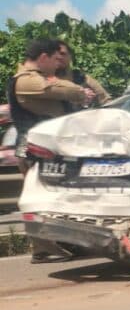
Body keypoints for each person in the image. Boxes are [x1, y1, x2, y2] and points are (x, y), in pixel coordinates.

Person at [6, 38, 93, 262]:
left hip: (45, 149)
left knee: (55, 197)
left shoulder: (38, 78)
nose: (58, 64)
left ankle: (61, 243)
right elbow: (58, 89)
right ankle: (42, 248)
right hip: (33, 150)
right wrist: (79, 91)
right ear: (43, 57)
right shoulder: (26, 80)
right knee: (38, 198)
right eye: (55, 59)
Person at [54, 41, 109, 111]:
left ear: (70, 56)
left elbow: (106, 101)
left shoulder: (83, 78)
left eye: (62, 54)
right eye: (53, 54)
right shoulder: (43, 81)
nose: (58, 57)